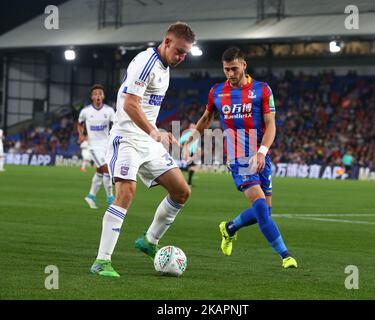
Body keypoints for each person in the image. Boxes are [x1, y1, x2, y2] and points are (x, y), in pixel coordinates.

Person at [90, 22, 195, 277]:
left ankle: (148, 240)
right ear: (167, 42)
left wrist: (153, 134)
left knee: (182, 192)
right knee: (126, 192)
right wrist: (154, 131)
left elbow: (146, 107)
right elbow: (130, 105)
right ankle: (102, 261)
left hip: (148, 141)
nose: (181, 57)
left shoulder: (165, 68)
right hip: (126, 138)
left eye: (185, 54)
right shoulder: (145, 63)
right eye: (179, 51)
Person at [186, 47, 297, 269]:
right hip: (238, 160)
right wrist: (191, 140)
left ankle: (229, 228)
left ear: (244, 65)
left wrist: (262, 152)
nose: (230, 73)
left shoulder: (262, 90)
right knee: (263, 213)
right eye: (226, 69)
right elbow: (207, 118)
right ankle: (286, 256)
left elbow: (271, 124)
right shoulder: (217, 92)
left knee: (264, 212)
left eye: (234, 68)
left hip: (260, 157)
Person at [77, 84, 115, 209]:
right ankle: (111, 199)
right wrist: (81, 135)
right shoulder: (85, 111)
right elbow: (79, 123)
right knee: (106, 170)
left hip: (106, 145)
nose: (98, 95)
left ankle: (91, 196)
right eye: (95, 94)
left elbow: (115, 125)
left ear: (103, 96)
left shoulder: (109, 111)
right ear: (92, 97)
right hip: (93, 146)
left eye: (100, 93)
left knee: (100, 171)